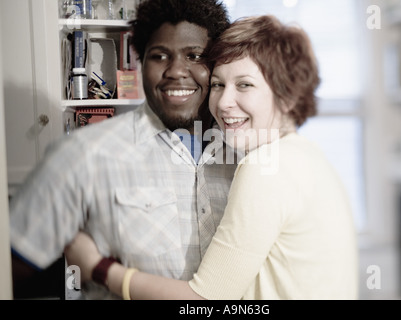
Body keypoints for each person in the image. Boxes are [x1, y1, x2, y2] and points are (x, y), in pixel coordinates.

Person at [65, 15, 359, 300]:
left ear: (287, 96)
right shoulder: (311, 156)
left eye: (244, 85)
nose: (224, 103)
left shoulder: (263, 168)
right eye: (218, 84)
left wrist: (99, 268)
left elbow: (206, 300)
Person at [9, 0, 235, 299]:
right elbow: (13, 263)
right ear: (141, 62)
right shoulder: (84, 155)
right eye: (160, 56)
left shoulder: (246, 154)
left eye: (195, 55)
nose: (177, 71)